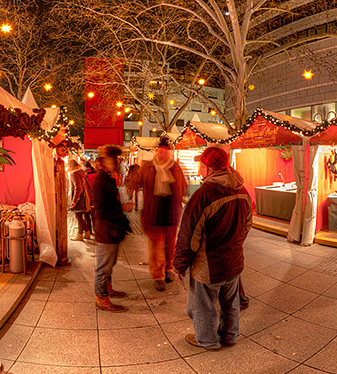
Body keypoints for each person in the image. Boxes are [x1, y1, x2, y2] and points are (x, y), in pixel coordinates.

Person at [174, 146, 253, 350]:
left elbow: (189, 234)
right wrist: (233, 245)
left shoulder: (204, 194)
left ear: (208, 168)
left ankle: (208, 340)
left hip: (209, 265)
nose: (199, 167)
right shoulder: (242, 190)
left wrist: (180, 265)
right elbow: (247, 226)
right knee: (230, 303)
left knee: (203, 305)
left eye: (201, 164)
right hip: (234, 261)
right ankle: (230, 336)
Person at [125, 138, 187, 292]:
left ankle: (168, 270)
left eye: (165, 152)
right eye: (160, 151)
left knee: (170, 246)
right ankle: (158, 276)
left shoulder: (176, 168)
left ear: (169, 153)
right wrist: (131, 179)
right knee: (156, 247)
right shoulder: (147, 167)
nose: (162, 154)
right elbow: (133, 182)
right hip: (153, 213)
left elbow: (183, 187)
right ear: (156, 152)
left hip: (171, 213)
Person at [89, 146, 131, 312]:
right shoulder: (101, 180)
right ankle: (102, 298)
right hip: (106, 229)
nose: (117, 162)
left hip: (111, 229)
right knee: (103, 266)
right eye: (114, 159)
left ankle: (108, 289)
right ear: (106, 162)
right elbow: (99, 209)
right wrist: (122, 208)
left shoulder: (107, 178)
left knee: (109, 263)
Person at [68, 157, 93, 242]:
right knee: (80, 217)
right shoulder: (80, 172)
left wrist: (74, 201)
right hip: (83, 197)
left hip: (79, 198)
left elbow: (77, 188)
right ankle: (87, 232)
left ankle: (80, 234)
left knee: (78, 217)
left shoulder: (74, 173)